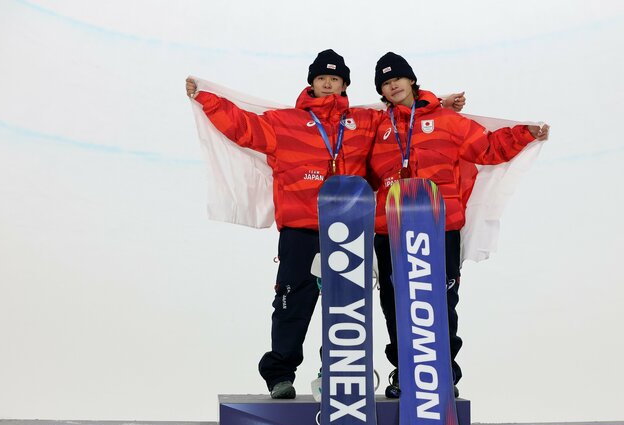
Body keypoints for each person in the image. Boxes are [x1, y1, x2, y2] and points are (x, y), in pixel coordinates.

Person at [186, 50, 465, 399]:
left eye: (335, 78)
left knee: (347, 306)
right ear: (312, 83)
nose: (328, 83)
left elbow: (403, 116)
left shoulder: (365, 121)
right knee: (293, 301)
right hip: (302, 228)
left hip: (350, 229)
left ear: (345, 84)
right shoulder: (283, 122)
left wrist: (436, 104)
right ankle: (280, 374)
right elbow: (243, 127)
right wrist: (206, 99)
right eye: (322, 78)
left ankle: (336, 367)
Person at [367, 52, 550, 399]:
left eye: (398, 79)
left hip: (438, 227)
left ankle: (443, 371)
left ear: (411, 81)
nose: (393, 85)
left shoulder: (447, 121)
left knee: (438, 302)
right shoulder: (377, 126)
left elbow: (488, 147)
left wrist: (523, 133)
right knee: (395, 305)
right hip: (389, 228)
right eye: (385, 82)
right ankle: (405, 372)